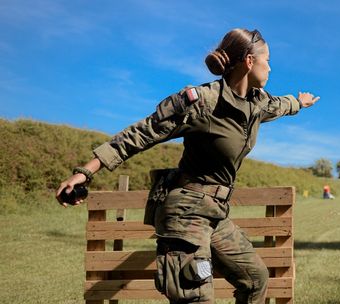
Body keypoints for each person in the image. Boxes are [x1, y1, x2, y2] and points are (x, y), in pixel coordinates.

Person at [55, 28, 319, 304]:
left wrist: (300, 102)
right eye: (267, 59)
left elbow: (280, 105)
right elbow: (141, 133)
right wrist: (84, 172)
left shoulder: (257, 104)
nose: (271, 67)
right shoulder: (202, 102)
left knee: (255, 280)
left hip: (215, 214)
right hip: (185, 212)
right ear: (250, 61)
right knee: (195, 297)